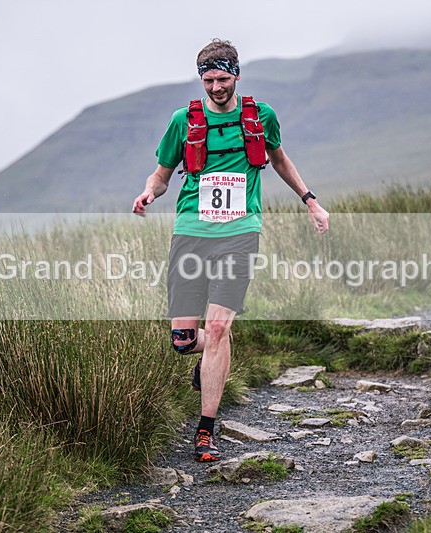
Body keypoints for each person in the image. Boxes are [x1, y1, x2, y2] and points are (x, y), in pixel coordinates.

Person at [132, 38, 329, 462]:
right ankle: (211, 354)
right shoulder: (183, 120)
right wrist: (149, 193)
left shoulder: (262, 116)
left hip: (240, 230)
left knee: (218, 329)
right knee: (184, 341)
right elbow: (163, 174)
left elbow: (279, 160)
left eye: (223, 78)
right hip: (191, 230)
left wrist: (310, 200)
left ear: (236, 74)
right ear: (201, 79)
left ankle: (206, 431)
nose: (217, 87)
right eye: (209, 80)